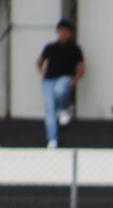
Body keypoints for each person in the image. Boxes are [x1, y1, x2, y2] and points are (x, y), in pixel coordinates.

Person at [36, 19, 85, 149]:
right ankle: (52, 139)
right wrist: (42, 71)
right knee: (49, 108)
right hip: (48, 80)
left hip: (65, 78)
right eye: (61, 31)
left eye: (66, 31)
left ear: (69, 33)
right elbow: (40, 61)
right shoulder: (50, 47)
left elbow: (81, 67)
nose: (63, 33)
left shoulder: (74, 48)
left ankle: (63, 108)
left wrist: (75, 79)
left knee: (60, 90)